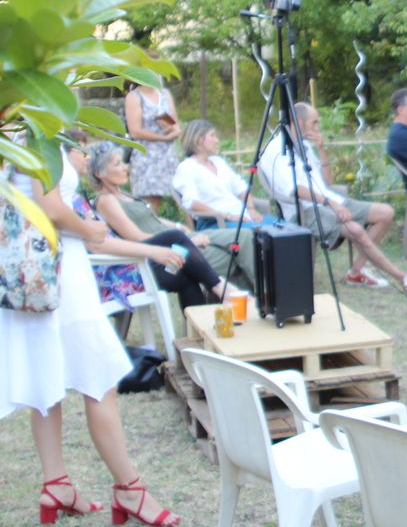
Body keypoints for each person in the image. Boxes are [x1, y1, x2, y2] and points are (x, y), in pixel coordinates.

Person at [0, 147, 180, 526]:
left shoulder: (12, 125)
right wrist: (89, 228)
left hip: (39, 275)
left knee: (45, 383)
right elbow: (51, 208)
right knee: (100, 381)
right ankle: (130, 490)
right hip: (61, 273)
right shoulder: (35, 129)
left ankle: (57, 484)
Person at [258, 102, 407, 297]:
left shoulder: (304, 145)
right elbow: (295, 190)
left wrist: (321, 150)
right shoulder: (276, 151)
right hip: (305, 209)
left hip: (328, 199)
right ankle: (403, 278)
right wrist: (333, 205)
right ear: (298, 122)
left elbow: (327, 181)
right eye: (314, 123)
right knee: (355, 229)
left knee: (386, 213)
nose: (318, 127)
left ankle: (355, 272)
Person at [90, 142, 254, 304]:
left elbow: (152, 218)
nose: (125, 167)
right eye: (117, 164)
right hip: (165, 251)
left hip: (180, 239)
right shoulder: (106, 200)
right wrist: (183, 241)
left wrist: (177, 226)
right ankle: (252, 303)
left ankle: (256, 298)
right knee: (232, 255)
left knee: (244, 236)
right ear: (99, 173)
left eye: (124, 162)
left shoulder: (124, 195)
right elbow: (137, 237)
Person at [172, 120, 280, 231]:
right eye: (212, 136)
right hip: (216, 223)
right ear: (198, 140)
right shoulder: (187, 167)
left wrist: (251, 208)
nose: (217, 140)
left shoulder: (218, 162)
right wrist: (226, 216)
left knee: (285, 228)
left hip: (243, 218)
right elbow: (191, 202)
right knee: (270, 234)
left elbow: (242, 188)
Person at [124, 81, 180, 213]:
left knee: (181, 194)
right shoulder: (134, 96)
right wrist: (163, 138)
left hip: (168, 155)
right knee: (151, 200)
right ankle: (150, 231)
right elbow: (135, 131)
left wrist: (170, 128)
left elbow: (175, 125)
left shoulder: (165, 94)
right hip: (147, 155)